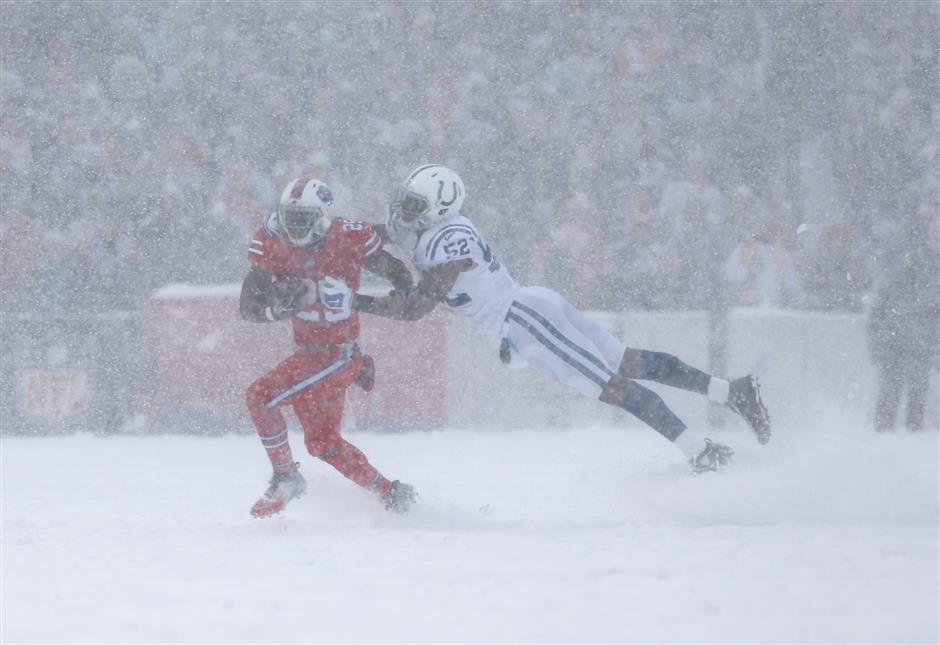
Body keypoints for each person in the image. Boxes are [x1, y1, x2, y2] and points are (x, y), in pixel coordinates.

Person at [353, 165, 772, 473]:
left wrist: (352, 302)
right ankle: (731, 391)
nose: (403, 210)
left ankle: (701, 452)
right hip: (532, 306)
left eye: (414, 204)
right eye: (405, 199)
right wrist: (325, 239)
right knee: (626, 362)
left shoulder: (451, 238)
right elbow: (369, 235)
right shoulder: (426, 228)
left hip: (524, 320)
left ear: (441, 209)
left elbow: (416, 308)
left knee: (614, 386)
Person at [239, 176, 417, 517]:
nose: (293, 228)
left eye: (302, 220)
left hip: (338, 353)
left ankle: (286, 475)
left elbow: (398, 275)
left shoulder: (347, 237)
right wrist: (275, 309)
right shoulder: (273, 240)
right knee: (323, 443)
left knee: (259, 396)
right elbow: (248, 306)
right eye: (289, 219)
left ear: (322, 217)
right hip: (310, 353)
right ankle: (391, 494)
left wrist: (375, 301)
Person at [867, 229, 939, 432]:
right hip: (896, 347)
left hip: (916, 348)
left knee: (915, 396)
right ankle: (885, 433)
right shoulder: (891, 283)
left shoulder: (929, 285)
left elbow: (935, 319)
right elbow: (875, 318)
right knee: (890, 395)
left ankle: (910, 435)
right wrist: (877, 347)